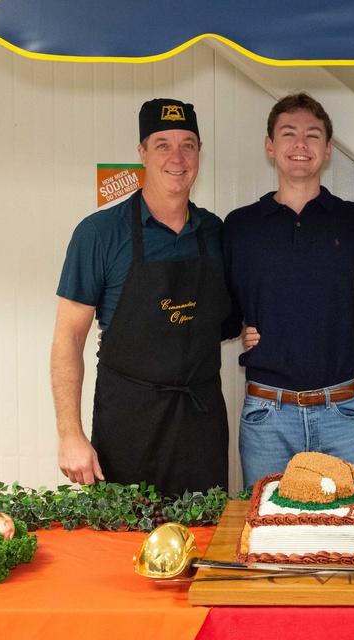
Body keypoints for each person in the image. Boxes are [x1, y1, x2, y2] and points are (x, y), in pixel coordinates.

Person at [52, 98, 231, 496]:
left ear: (199, 152)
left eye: (188, 143)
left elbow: (229, 315)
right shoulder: (99, 233)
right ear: (142, 153)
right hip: (128, 426)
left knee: (202, 546)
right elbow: (68, 338)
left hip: (200, 424)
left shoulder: (216, 233)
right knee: (122, 550)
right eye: (163, 144)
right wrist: (70, 434)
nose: (177, 156)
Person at [223, 92, 354, 487]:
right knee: (269, 540)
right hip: (267, 415)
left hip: (342, 411)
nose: (300, 145)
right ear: (270, 146)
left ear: (327, 150)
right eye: (288, 133)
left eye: (312, 135)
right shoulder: (240, 227)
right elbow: (222, 304)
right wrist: (241, 323)